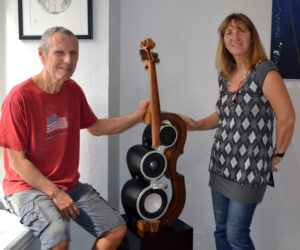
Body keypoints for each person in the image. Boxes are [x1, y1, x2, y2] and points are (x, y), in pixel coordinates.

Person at [0, 26, 149, 250]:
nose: (68, 60)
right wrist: (55, 193)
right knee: (59, 237)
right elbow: (17, 162)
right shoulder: (19, 98)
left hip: (68, 184)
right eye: (60, 52)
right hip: (26, 187)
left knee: (116, 229)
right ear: (42, 54)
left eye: (74, 53)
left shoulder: (73, 90)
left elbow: (96, 127)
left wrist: (136, 117)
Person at [179, 13, 295, 250]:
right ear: (223, 41)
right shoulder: (226, 75)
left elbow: (287, 117)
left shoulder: (265, 71)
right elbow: (224, 115)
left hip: (249, 168)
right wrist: (196, 124)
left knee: (236, 235)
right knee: (220, 231)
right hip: (221, 163)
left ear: (252, 36)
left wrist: (278, 154)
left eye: (241, 30)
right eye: (228, 33)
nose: (235, 37)